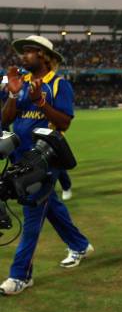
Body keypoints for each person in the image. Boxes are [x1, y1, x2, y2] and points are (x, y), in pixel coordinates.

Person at [0, 35, 93, 296]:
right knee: (48, 206)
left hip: (45, 158)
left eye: (29, 52)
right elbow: (5, 120)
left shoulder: (59, 84)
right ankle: (80, 244)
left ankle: (20, 275)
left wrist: (41, 102)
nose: (23, 56)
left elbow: (64, 123)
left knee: (31, 213)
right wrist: (13, 93)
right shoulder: (19, 82)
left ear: (42, 55)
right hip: (19, 157)